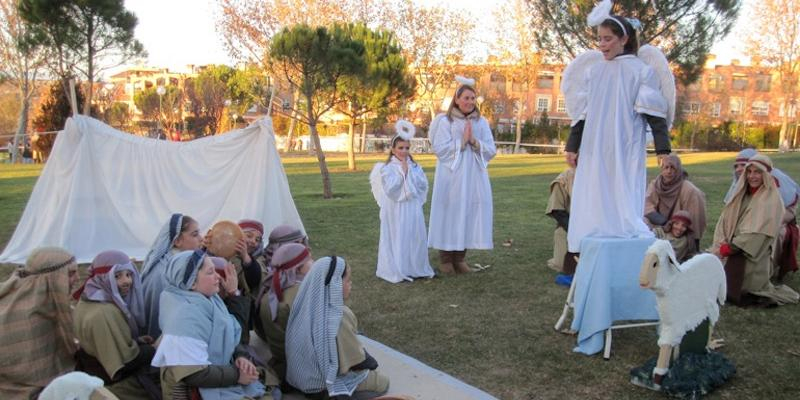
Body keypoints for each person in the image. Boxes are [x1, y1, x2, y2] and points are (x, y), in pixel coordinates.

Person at [562, 3, 673, 253]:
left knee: (621, 187)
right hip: (595, 144)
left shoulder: (640, 71)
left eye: (608, 39)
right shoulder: (594, 72)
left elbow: (655, 113)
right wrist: (572, 146)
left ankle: (622, 232)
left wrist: (663, 150)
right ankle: (595, 231)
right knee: (596, 187)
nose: (602, 44)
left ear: (623, 38)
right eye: (600, 39)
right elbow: (583, 113)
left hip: (625, 143)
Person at [151, 250, 268, 400]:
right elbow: (194, 374)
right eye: (210, 272)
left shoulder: (209, 300)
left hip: (217, 375)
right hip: (193, 391)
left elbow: (230, 331)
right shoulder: (184, 318)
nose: (218, 276)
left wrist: (240, 357)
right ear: (192, 282)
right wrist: (237, 375)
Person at [286, 256, 389, 399]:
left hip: (300, 378)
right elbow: (356, 360)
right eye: (347, 280)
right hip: (320, 386)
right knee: (382, 383)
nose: (351, 284)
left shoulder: (303, 304)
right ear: (335, 284)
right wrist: (369, 362)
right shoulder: (338, 316)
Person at [710, 155, 799, 306]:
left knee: (737, 290)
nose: (752, 176)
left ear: (765, 174)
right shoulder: (743, 194)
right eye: (749, 171)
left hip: (751, 254)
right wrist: (723, 242)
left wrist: (731, 248)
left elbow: (758, 234)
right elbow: (726, 219)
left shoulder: (771, 199)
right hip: (732, 246)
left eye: (757, 172)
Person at [427, 76, 496, 273]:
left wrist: (474, 142)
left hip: (473, 175)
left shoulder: (481, 122)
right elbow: (439, 148)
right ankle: (446, 258)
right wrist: (462, 142)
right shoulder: (445, 121)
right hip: (452, 175)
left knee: (467, 212)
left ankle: (460, 258)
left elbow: (491, 149)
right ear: (456, 99)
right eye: (466, 98)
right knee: (450, 211)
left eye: (473, 98)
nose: (469, 102)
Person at [72, 250, 159, 399]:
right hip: (110, 381)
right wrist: (153, 349)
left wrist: (136, 341)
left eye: (129, 274)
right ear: (104, 277)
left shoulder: (90, 299)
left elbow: (104, 342)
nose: (126, 281)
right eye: (117, 276)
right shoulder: (104, 312)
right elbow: (122, 365)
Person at [0, 247, 79, 399]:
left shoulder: (51, 302)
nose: (76, 279)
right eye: (70, 274)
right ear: (52, 278)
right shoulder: (25, 317)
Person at [371, 120, 434, 282]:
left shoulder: (415, 166)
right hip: (396, 207)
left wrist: (410, 173)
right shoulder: (387, 168)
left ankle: (413, 266)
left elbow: (422, 185)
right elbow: (391, 189)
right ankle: (398, 266)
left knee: (413, 234)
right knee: (398, 234)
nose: (404, 151)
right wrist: (402, 174)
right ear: (393, 150)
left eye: (407, 148)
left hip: (411, 206)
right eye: (400, 148)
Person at [723, 149, 799, 281]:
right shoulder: (743, 181)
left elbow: (779, 213)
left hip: (775, 219)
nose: (739, 169)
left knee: (772, 234)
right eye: (737, 166)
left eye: (743, 165)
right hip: (749, 222)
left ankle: (766, 269)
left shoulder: (773, 184)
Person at [253, 243, 313, 382]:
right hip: (299, 365)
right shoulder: (299, 296)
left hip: (280, 356)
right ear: (298, 268)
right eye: (309, 259)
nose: (313, 262)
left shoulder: (270, 289)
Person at [140, 213, 203, 338]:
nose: (201, 238)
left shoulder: (177, 264)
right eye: (195, 234)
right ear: (177, 241)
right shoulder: (163, 274)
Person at [644, 154, 707, 246]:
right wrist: (664, 222)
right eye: (666, 167)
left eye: (672, 168)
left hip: (680, 231)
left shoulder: (690, 190)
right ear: (662, 169)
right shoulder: (655, 185)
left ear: (678, 169)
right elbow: (647, 205)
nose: (669, 171)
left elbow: (696, 220)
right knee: (642, 222)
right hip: (660, 226)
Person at [545, 166, 575, 273]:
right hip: (572, 227)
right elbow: (557, 210)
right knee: (564, 265)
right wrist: (576, 231)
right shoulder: (565, 178)